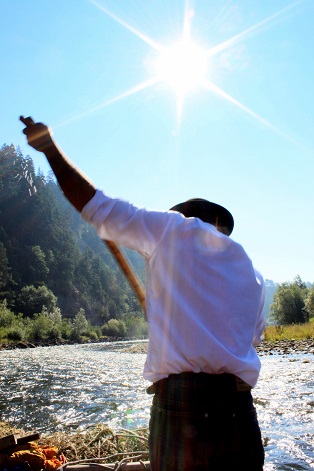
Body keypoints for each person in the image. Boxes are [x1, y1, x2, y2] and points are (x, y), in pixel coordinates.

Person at [20, 116, 265, 471]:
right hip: (238, 411)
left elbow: (95, 207)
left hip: (183, 411)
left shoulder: (173, 229)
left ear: (187, 215)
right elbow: (246, 340)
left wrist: (49, 149)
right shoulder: (251, 270)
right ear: (222, 227)